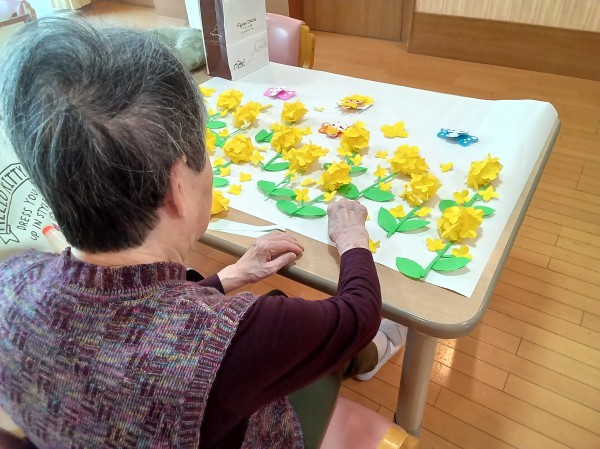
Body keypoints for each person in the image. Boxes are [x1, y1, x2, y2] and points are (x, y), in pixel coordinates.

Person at [0, 16, 406, 449]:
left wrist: (228, 277)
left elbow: (132, 329)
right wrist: (351, 237)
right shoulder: (243, 336)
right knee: (326, 336)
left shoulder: (11, 282)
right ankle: (370, 356)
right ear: (176, 186)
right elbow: (359, 315)